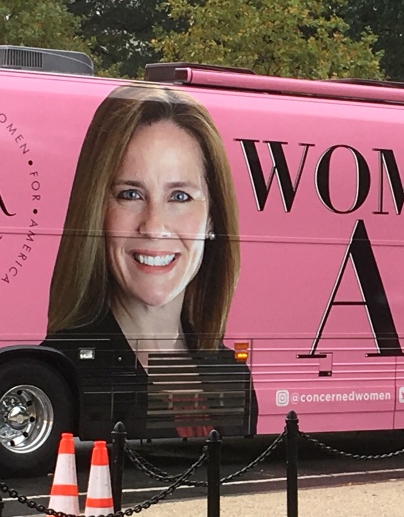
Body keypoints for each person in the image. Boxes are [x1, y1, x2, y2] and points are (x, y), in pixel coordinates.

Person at [42, 84, 257, 439]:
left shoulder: (231, 375)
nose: (154, 226)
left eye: (180, 196)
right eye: (130, 194)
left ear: (212, 219)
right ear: (96, 210)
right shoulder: (67, 367)